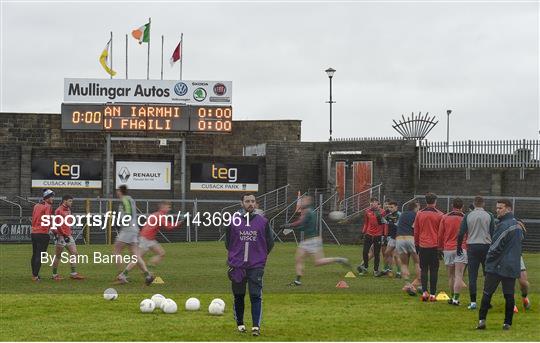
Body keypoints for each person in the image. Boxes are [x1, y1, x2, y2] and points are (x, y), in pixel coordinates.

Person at [225, 194, 274, 336]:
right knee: (239, 296)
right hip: (238, 266)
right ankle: (240, 324)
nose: (250, 204)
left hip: (256, 266)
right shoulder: (233, 222)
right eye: (247, 201)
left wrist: (260, 257)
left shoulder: (263, 222)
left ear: (256, 204)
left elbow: (270, 243)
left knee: (255, 295)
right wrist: (236, 256)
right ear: (242, 203)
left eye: (253, 201)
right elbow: (228, 243)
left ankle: (255, 327)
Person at [477, 199, 523, 330]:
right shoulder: (518, 225)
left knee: (487, 293)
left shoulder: (503, 225)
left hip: (498, 265)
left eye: (500, 208)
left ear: (508, 209)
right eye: (497, 208)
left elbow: (495, 247)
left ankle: (482, 321)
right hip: (512, 265)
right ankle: (507, 323)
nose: (497, 210)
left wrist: (488, 261)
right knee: (509, 295)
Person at [283, 196, 350, 286]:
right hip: (313, 240)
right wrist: (292, 227)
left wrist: (289, 225)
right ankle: (297, 281)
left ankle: (338, 259)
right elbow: (303, 225)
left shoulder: (307, 211)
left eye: (303, 201)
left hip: (311, 240)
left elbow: (301, 223)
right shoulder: (310, 210)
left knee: (310, 261)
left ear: (308, 202)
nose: (301, 202)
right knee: (305, 259)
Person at [457, 196, 495, 310]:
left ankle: (473, 302)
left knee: (472, 276)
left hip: (472, 246)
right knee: (487, 275)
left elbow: (461, 233)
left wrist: (458, 246)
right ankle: (486, 301)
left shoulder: (468, 215)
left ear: (474, 204)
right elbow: (493, 232)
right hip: (486, 246)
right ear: (483, 204)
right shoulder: (490, 215)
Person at [123, 202, 181, 273]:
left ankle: (150, 266)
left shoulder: (156, 214)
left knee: (161, 253)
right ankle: (123, 275)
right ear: (162, 207)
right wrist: (178, 223)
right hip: (145, 239)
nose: (169, 209)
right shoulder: (160, 215)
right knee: (137, 259)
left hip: (149, 239)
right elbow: (169, 227)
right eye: (168, 207)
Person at [114, 185, 155, 285]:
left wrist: (120, 223)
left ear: (121, 191)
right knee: (136, 256)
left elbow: (128, 213)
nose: (117, 192)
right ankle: (147, 275)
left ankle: (122, 275)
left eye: (118, 191)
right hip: (134, 230)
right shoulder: (131, 199)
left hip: (127, 230)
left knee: (116, 252)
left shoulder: (125, 200)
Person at [414, 192, 444, 302]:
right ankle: (432, 294)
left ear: (426, 201)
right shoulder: (440, 215)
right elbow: (441, 233)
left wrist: (416, 245)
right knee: (434, 270)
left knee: (424, 269)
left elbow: (416, 231)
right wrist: (441, 247)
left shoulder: (419, 214)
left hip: (423, 245)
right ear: (435, 201)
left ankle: (424, 292)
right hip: (435, 246)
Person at [438, 198, 466, 305]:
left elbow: (440, 234)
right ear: (462, 206)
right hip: (461, 248)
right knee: (459, 275)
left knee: (450, 275)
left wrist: (440, 247)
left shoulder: (445, 217)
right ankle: (455, 297)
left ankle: (452, 296)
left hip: (448, 248)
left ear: (452, 206)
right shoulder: (464, 218)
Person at [51, 195, 85, 280]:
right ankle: (54, 275)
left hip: (68, 235)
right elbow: (58, 225)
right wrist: (63, 235)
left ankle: (73, 273)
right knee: (58, 256)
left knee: (75, 253)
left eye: (71, 201)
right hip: (61, 236)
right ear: (64, 201)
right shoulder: (58, 210)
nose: (71, 203)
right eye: (70, 201)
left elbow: (68, 222)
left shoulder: (68, 210)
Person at [396, 201, 421, 295]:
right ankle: (419, 281)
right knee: (417, 261)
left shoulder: (402, 215)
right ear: (415, 207)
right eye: (418, 207)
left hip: (399, 238)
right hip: (410, 238)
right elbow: (415, 227)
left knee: (404, 264)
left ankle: (407, 284)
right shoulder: (416, 215)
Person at [357, 198, 387, 276]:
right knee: (365, 252)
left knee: (377, 254)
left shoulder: (382, 212)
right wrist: (362, 232)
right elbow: (366, 223)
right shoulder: (367, 211)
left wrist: (385, 235)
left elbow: (384, 224)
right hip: (368, 234)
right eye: (370, 203)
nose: (372, 204)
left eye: (374, 203)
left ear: (377, 203)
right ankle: (365, 267)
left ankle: (375, 271)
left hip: (378, 235)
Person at [30, 189, 55, 281]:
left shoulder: (36, 205)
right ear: (47, 197)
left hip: (34, 232)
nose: (53, 198)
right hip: (43, 233)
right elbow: (47, 219)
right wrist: (51, 230)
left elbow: (33, 217)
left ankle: (34, 274)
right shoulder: (48, 206)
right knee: (40, 255)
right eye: (52, 197)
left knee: (35, 254)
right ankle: (35, 276)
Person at [382, 200, 401, 277]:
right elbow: (382, 222)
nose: (390, 208)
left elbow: (397, 226)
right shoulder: (389, 215)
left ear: (396, 207)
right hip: (392, 237)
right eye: (389, 207)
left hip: (399, 238)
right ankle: (386, 270)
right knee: (386, 253)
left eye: (392, 207)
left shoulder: (400, 215)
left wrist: (389, 222)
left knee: (396, 255)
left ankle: (399, 272)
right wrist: (380, 218)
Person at [516, 219, 531, 310]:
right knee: (508, 282)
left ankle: (524, 297)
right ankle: (511, 304)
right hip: (505, 258)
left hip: (517, 257)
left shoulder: (519, 228)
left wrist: (519, 225)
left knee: (523, 283)